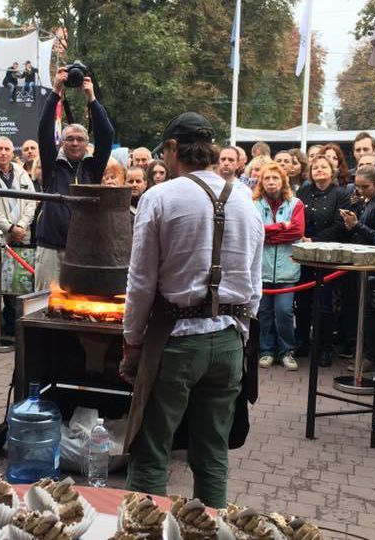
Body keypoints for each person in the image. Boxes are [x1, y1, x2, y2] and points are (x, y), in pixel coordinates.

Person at [121, 111, 262, 508]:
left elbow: (141, 281)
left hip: (176, 342)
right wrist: (240, 335)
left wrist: (132, 342)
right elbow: (255, 285)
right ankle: (211, 531)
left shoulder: (160, 197)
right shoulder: (246, 202)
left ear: (171, 148)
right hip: (230, 341)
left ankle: (145, 533)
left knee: (150, 452)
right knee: (212, 453)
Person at [34, 65, 113, 292]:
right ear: (62, 142)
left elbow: (107, 134)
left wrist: (92, 98)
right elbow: (44, 130)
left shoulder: (93, 167)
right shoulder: (52, 165)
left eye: (80, 139)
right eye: (70, 139)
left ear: (87, 143)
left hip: (85, 248)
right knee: (44, 303)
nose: (75, 143)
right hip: (51, 248)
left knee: (82, 304)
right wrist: (56, 91)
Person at [0, 136, 36, 334]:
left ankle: (13, 326)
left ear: (12, 153)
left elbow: (31, 201)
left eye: (6, 149)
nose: (3, 152)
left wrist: (21, 226)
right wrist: (10, 228)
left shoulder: (21, 174)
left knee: (17, 284)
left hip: (20, 239)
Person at [294, 155, 349, 363]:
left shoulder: (341, 194)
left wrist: (314, 239)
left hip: (327, 255)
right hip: (304, 254)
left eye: (323, 166)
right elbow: (296, 215)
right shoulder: (304, 192)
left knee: (324, 304)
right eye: (315, 167)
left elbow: (340, 224)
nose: (319, 170)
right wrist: (303, 238)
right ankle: (302, 342)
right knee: (302, 301)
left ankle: (324, 347)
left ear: (332, 170)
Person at [253, 161, 304, 371]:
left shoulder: (296, 204)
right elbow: (254, 231)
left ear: (283, 180)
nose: (271, 182)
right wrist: (280, 227)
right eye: (267, 178)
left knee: (283, 312)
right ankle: (266, 350)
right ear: (261, 182)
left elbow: (297, 232)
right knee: (263, 312)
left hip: (287, 269)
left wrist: (268, 235)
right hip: (261, 269)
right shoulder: (253, 203)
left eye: (275, 178)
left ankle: (287, 351)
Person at [343, 165, 375, 246]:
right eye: (357, 186)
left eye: (365, 187)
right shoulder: (362, 201)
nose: (360, 190)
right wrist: (350, 225)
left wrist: (356, 225)